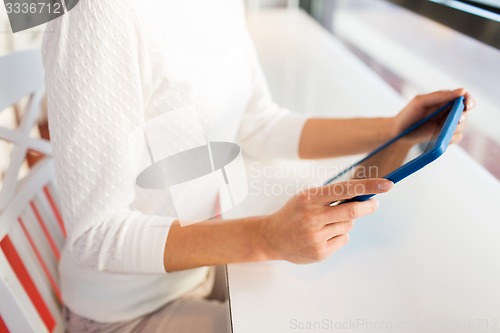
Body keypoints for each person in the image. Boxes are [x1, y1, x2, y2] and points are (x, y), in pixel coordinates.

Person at [41, 0, 474, 332]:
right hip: (127, 311)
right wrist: (267, 237)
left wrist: (394, 128)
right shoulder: (96, 16)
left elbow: (259, 122)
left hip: (201, 267)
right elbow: (96, 236)